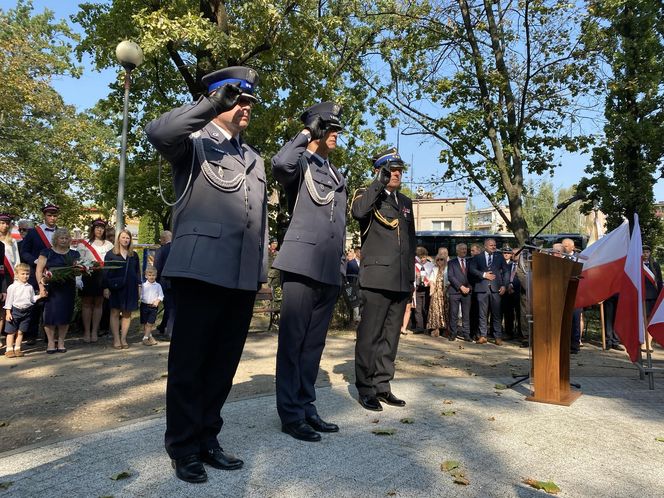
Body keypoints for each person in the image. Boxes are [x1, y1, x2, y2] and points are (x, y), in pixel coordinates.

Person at [146, 66, 267, 482]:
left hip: (240, 275)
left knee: (222, 365)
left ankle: (207, 437)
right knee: (189, 363)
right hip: (199, 271)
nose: (246, 107)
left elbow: (260, 222)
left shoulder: (253, 157)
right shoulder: (193, 144)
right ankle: (182, 446)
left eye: (250, 101)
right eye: (239, 99)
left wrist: (260, 272)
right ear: (219, 100)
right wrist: (212, 104)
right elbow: (157, 132)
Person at [271, 101, 346, 442]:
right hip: (301, 264)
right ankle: (290, 414)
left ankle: (306, 405)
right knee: (293, 342)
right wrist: (304, 134)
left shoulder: (334, 172)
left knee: (313, 344)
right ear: (317, 127)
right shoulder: (300, 162)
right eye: (329, 128)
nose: (336, 135)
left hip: (328, 267)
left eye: (336, 129)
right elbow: (279, 163)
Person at [352, 147, 416, 412]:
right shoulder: (367, 196)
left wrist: (410, 279)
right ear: (380, 170)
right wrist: (378, 182)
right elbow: (358, 213)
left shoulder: (406, 203)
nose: (397, 174)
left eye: (399, 170)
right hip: (377, 279)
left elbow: (411, 243)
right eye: (391, 170)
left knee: (390, 338)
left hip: (400, 279)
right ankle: (365, 388)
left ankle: (382, 386)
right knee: (370, 336)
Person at [35, 228, 80, 353]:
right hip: (51, 288)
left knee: (65, 315)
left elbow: (76, 270)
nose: (64, 240)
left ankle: (61, 341)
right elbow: (39, 271)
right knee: (49, 315)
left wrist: (81, 270)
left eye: (66, 238)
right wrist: (41, 286)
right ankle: (50, 342)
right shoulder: (46, 252)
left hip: (68, 287)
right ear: (56, 239)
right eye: (61, 238)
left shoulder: (74, 254)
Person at [20, 204, 59, 344]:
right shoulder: (33, 232)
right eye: (49, 215)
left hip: (55, 273)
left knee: (52, 304)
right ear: (44, 216)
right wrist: (35, 261)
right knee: (36, 303)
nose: (52, 218)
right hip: (36, 272)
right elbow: (24, 251)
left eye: (54, 215)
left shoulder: (61, 233)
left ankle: (49, 335)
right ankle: (31, 334)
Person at [76, 219, 114, 343]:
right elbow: (78, 262)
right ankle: (87, 331)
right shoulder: (84, 244)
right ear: (93, 229)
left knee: (99, 304)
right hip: (88, 275)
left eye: (102, 228)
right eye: (97, 227)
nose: (99, 230)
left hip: (102, 276)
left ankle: (94, 331)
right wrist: (79, 278)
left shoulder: (109, 245)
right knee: (86, 304)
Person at [103, 229, 141, 350]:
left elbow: (137, 272)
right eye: (123, 237)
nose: (125, 240)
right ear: (118, 239)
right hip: (115, 287)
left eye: (127, 238)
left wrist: (139, 286)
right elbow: (106, 273)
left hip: (130, 287)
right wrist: (106, 287)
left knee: (127, 313)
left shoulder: (133, 255)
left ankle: (124, 338)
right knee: (114, 312)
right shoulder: (111, 254)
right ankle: (116, 338)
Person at [468, 238, 509, 345]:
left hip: (496, 289)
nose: (494, 247)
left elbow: (506, 271)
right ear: (485, 246)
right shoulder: (478, 257)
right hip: (482, 289)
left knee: (496, 314)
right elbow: (472, 269)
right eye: (491, 245)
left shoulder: (499, 257)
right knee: (482, 314)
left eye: (495, 245)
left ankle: (497, 337)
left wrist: (504, 285)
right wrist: (484, 275)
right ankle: (483, 336)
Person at [4, 263, 46, 357]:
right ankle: (9, 349)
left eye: (27, 274)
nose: (25, 276)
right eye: (22, 274)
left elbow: (31, 299)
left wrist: (40, 296)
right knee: (11, 331)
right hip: (15, 311)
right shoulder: (12, 287)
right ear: (16, 274)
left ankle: (18, 348)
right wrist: (8, 313)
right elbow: (9, 301)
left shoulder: (30, 287)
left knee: (21, 331)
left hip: (27, 311)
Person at [447, 243, 472, 342]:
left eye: (465, 249)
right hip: (455, 291)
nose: (464, 251)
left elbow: (473, 276)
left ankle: (466, 334)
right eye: (462, 249)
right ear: (457, 251)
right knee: (454, 314)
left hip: (467, 292)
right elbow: (450, 276)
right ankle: (453, 334)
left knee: (466, 314)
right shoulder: (451, 263)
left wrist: (469, 288)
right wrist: (461, 287)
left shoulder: (470, 262)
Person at [0, 214, 20, 338]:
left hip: (8, 276)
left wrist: (17, 278)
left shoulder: (12, 241)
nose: (5, 226)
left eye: (7, 223)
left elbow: (16, 260)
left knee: (3, 308)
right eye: (2, 223)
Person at [561, 238, 582, 353]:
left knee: (575, 320)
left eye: (567, 246)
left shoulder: (580, 258)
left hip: (576, 294)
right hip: (561, 294)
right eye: (563, 246)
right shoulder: (558, 259)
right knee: (563, 320)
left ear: (573, 247)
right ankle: (563, 344)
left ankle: (574, 345)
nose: (564, 248)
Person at [153, 230, 173, 339]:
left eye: (161, 239)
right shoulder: (178, 249)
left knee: (168, 306)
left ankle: (168, 330)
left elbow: (157, 267)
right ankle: (163, 326)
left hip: (165, 282)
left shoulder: (161, 250)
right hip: (177, 282)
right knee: (172, 306)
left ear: (164, 239)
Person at [412, 246, 434, 333]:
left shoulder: (431, 265)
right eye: (420, 257)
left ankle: (426, 326)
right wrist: (416, 276)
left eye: (424, 257)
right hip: (417, 288)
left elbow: (432, 277)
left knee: (426, 308)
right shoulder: (415, 265)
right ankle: (419, 327)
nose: (422, 259)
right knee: (418, 309)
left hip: (427, 289)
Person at [140, 266, 164, 346]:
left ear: (156, 276)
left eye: (153, 275)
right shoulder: (143, 285)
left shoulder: (158, 286)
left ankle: (145, 338)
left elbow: (161, 296)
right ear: (146, 276)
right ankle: (149, 336)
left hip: (153, 307)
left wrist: (157, 300)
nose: (151, 277)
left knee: (150, 323)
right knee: (144, 323)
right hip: (144, 305)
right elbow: (140, 295)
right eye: (149, 275)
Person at [427, 252, 449, 337]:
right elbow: (431, 279)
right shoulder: (434, 269)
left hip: (445, 292)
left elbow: (449, 280)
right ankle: (436, 328)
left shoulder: (448, 269)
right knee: (435, 311)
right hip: (436, 293)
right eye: (438, 260)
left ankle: (445, 328)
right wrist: (431, 285)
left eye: (442, 260)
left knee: (445, 310)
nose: (440, 261)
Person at [643, 245, 662, 318]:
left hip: (654, 295)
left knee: (653, 316)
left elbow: (659, 280)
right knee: (645, 316)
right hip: (643, 295)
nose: (645, 254)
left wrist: (660, 295)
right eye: (643, 252)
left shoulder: (655, 265)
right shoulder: (637, 265)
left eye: (647, 252)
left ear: (650, 253)